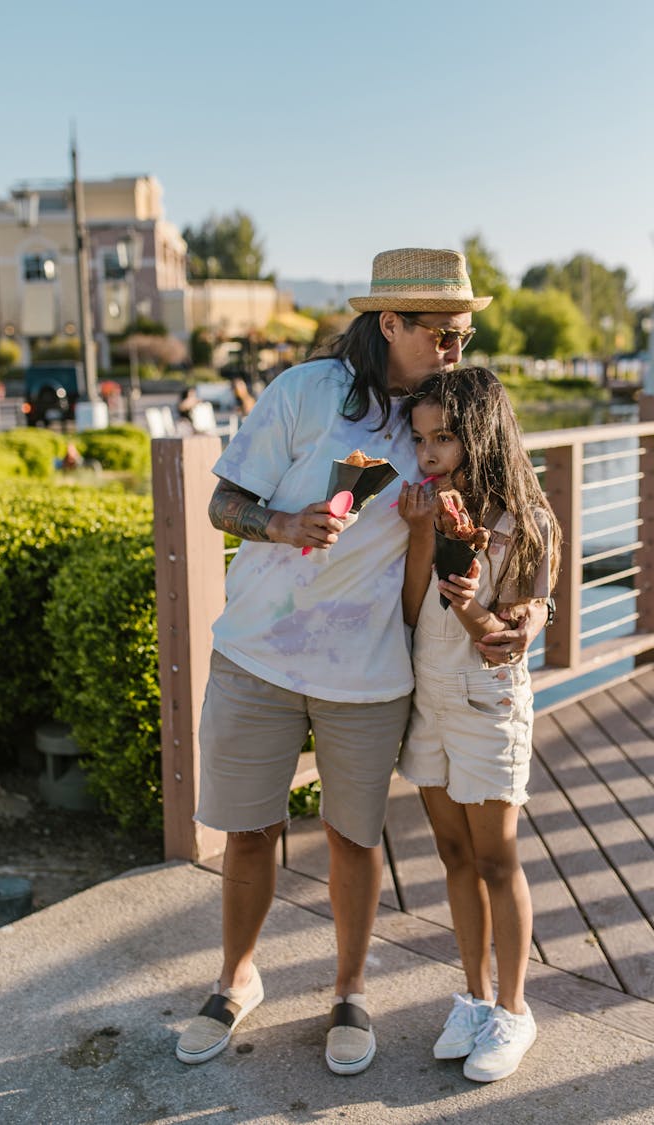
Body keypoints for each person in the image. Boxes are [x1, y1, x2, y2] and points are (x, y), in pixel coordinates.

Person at [175, 247, 548, 1076]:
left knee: (353, 837)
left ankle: (350, 991)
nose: (458, 347)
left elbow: (520, 504)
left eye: (465, 332)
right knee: (248, 830)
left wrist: (529, 608)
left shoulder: (446, 412)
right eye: (444, 333)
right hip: (259, 652)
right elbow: (220, 501)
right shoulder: (305, 391)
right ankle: (237, 977)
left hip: (372, 670)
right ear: (391, 324)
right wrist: (284, 523)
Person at [395, 366, 561, 1083]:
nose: (428, 452)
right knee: (453, 855)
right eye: (421, 438)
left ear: (482, 434)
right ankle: (472, 993)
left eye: (445, 437)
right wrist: (418, 534)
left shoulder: (525, 521)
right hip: (427, 697)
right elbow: (409, 611)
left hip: (487, 699)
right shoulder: (429, 506)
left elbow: (505, 634)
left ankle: (514, 1008)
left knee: (497, 858)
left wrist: (472, 606)